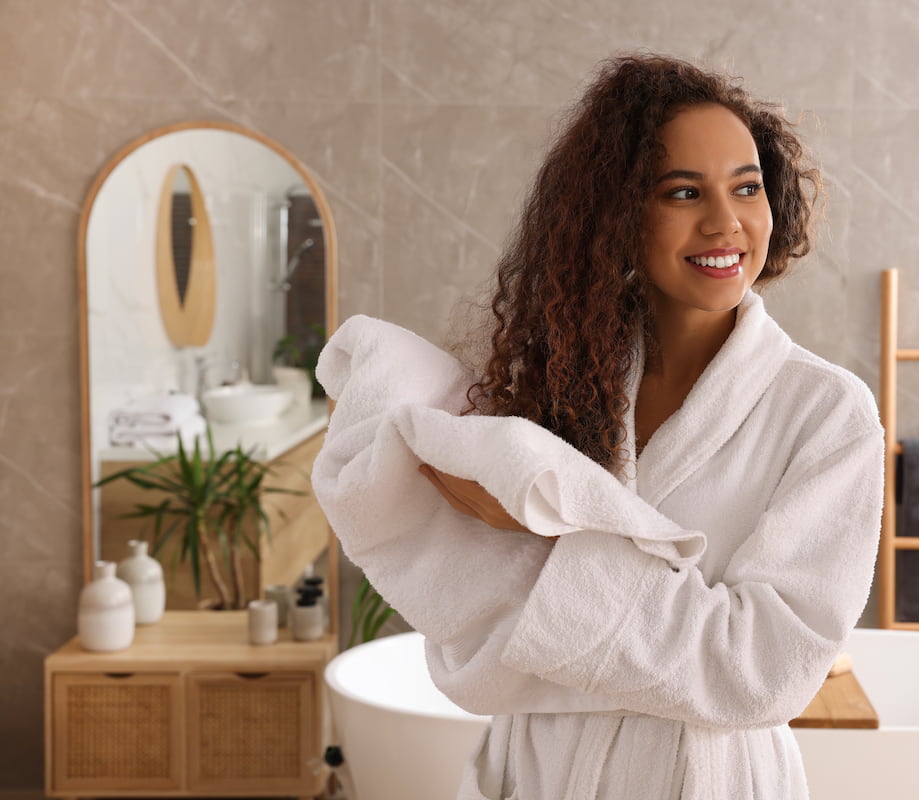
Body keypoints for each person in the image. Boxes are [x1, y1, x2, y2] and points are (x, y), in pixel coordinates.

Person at [313, 53, 884, 800]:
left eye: (747, 188)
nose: (727, 222)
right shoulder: (562, 378)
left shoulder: (826, 413)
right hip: (539, 772)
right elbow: (478, 614)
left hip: (700, 778)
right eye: (683, 191)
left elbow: (765, 671)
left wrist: (549, 533)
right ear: (619, 215)